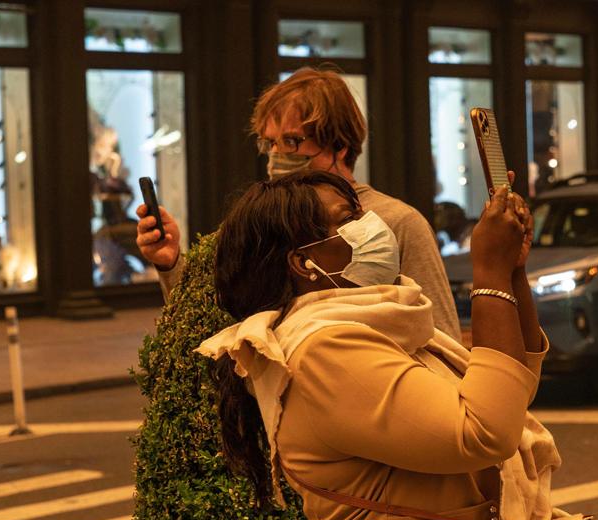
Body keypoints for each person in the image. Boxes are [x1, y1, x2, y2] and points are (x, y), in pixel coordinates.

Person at [194, 169, 582, 520]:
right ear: (304, 263)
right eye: (348, 219)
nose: (371, 224)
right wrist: (489, 274)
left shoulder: (381, 324)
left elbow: (507, 389)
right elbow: (483, 429)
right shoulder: (323, 350)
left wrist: (512, 272)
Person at [136, 67, 462, 341]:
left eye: (291, 141)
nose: (278, 155)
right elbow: (206, 320)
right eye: (270, 142)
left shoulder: (396, 222)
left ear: (340, 145)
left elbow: (442, 338)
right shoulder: (261, 218)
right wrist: (170, 263)